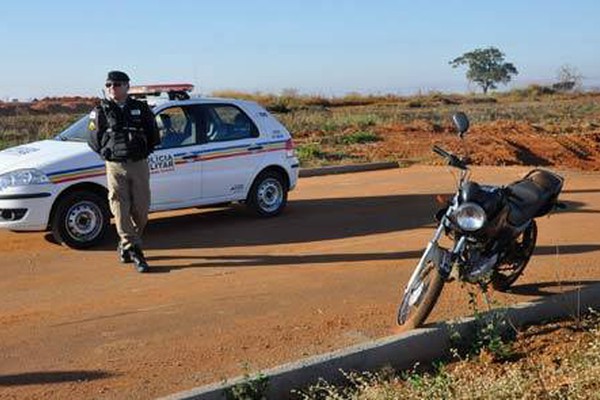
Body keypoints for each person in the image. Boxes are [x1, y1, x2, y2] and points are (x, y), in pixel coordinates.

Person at [87, 71, 160, 273]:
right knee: (119, 206)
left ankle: (125, 243)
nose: (112, 87)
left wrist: (146, 150)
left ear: (127, 86)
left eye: (117, 84)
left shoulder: (140, 108)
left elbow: (154, 133)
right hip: (115, 165)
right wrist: (105, 152)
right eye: (109, 84)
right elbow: (93, 138)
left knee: (142, 210)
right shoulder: (100, 110)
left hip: (138, 163)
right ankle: (135, 250)